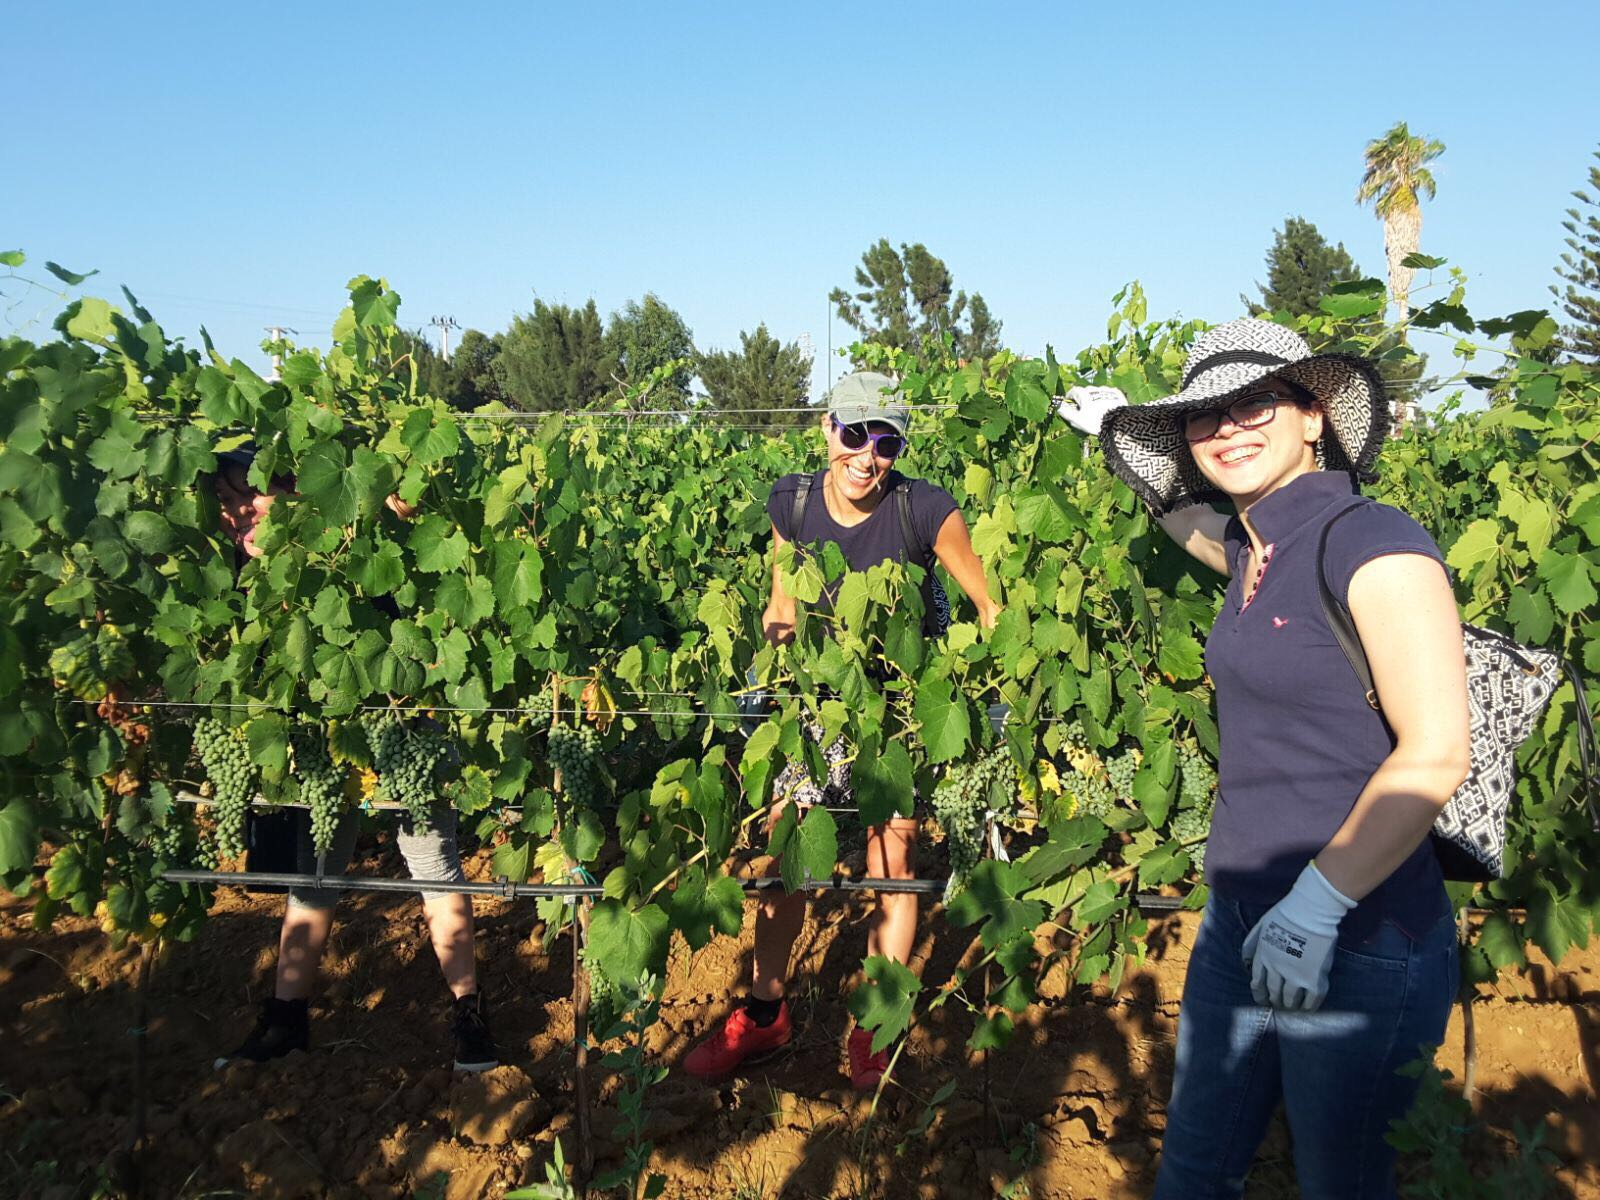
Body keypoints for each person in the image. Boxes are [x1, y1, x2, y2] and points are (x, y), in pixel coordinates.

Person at [1059, 318, 1470, 1198]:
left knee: (1340, 1181)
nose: (1228, 428)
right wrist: (1116, 433)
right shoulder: (1252, 548)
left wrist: (1315, 909)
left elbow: (1438, 752)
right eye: (1204, 416)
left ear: (1314, 415)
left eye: (1257, 404)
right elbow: (1192, 523)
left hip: (1361, 932)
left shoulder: (1378, 544)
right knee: (1195, 1172)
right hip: (1240, 921)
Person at [682, 371, 1001, 1089]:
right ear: (827, 428)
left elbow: (988, 606)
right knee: (786, 856)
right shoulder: (791, 504)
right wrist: (767, 672)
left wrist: (975, 693)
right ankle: (767, 1014)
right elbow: (782, 601)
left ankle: (876, 1025)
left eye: (885, 441)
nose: (867, 455)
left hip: (898, 709)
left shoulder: (927, 509)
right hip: (817, 703)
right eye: (855, 434)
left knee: (895, 862)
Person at [207, 453, 498, 1074]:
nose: (236, 516)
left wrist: (393, 505)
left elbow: (410, 511)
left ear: (290, 494)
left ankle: (469, 1013)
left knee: (433, 859)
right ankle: (286, 1018)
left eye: (248, 499)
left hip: (402, 718)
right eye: (226, 503)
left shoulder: (352, 531)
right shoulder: (241, 575)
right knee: (313, 870)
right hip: (323, 737)